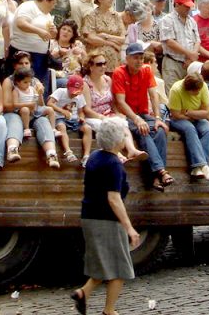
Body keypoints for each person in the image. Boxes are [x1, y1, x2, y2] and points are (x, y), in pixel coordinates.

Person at [70, 117, 139, 315]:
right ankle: (109, 311)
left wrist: (118, 159)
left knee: (102, 264)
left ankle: (83, 293)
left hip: (89, 216)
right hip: (106, 220)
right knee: (119, 269)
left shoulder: (95, 156)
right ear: (118, 141)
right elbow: (114, 199)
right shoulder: (113, 165)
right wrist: (129, 228)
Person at [113, 42, 172, 191]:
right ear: (127, 58)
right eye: (135, 58)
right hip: (126, 114)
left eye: (141, 57)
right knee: (143, 131)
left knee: (160, 131)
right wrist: (136, 119)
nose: (139, 61)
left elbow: (153, 95)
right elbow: (120, 102)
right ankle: (161, 172)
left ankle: (155, 176)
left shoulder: (146, 71)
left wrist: (158, 117)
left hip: (144, 113)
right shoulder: (119, 72)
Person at [3, 61, 59, 167]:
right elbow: (8, 105)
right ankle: (12, 149)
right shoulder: (10, 82)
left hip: (34, 112)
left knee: (43, 121)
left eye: (27, 63)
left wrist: (40, 94)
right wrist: (27, 106)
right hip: (16, 112)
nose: (24, 66)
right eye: (21, 63)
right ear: (15, 65)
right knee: (15, 121)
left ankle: (51, 153)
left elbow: (40, 104)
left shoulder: (34, 83)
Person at [168, 69, 209, 180]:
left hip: (194, 116)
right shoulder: (176, 89)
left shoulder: (203, 86)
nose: (198, 93)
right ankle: (204, 165)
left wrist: (189, 112)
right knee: (190, 128)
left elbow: (206, 112)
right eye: (195, 91)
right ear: (188, 89)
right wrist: (195, 115)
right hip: (179, 119)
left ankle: (197, 168)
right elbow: (176, 114)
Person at [11, 0, 57, 89]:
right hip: (25, 53)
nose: (53, 6)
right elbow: (21, 23)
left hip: (41, 55)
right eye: (53, 3)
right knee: (24, 84)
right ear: (46, 0)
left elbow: (48, 34)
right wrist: (39, 31)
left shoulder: (47, 14)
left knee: (39, 85)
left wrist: (53, 32)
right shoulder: (28, 6)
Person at [81, 0, 127, 73]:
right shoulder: (91, 16)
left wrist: (105, 36)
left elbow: (122, 39)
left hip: (114, 63)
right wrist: (112, 44)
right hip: (96, 63)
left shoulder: (116, 16)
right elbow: (91, 38)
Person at [160, 0, 200, 89]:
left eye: (189, 6)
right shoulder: (167, 19)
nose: (188, 8)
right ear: (177, 5)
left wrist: (191, 57)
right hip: (173, 62)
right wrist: (189, 54)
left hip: (189, 63)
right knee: (172, 91)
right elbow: (169, 42)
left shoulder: (192, 21)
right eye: (186, 6)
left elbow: (197, 40)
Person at [49, 73, 90, 165]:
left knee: (87, 128)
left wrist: (81, 118)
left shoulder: (79, 97)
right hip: (60, 117)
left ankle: (86, 156)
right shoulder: (60, 92)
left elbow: (81, 111)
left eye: (77, 92)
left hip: (74, 119)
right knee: (61, 127)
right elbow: (50, 103)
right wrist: (62, 111)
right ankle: (68, 151)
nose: (74, 95)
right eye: (72, 92)